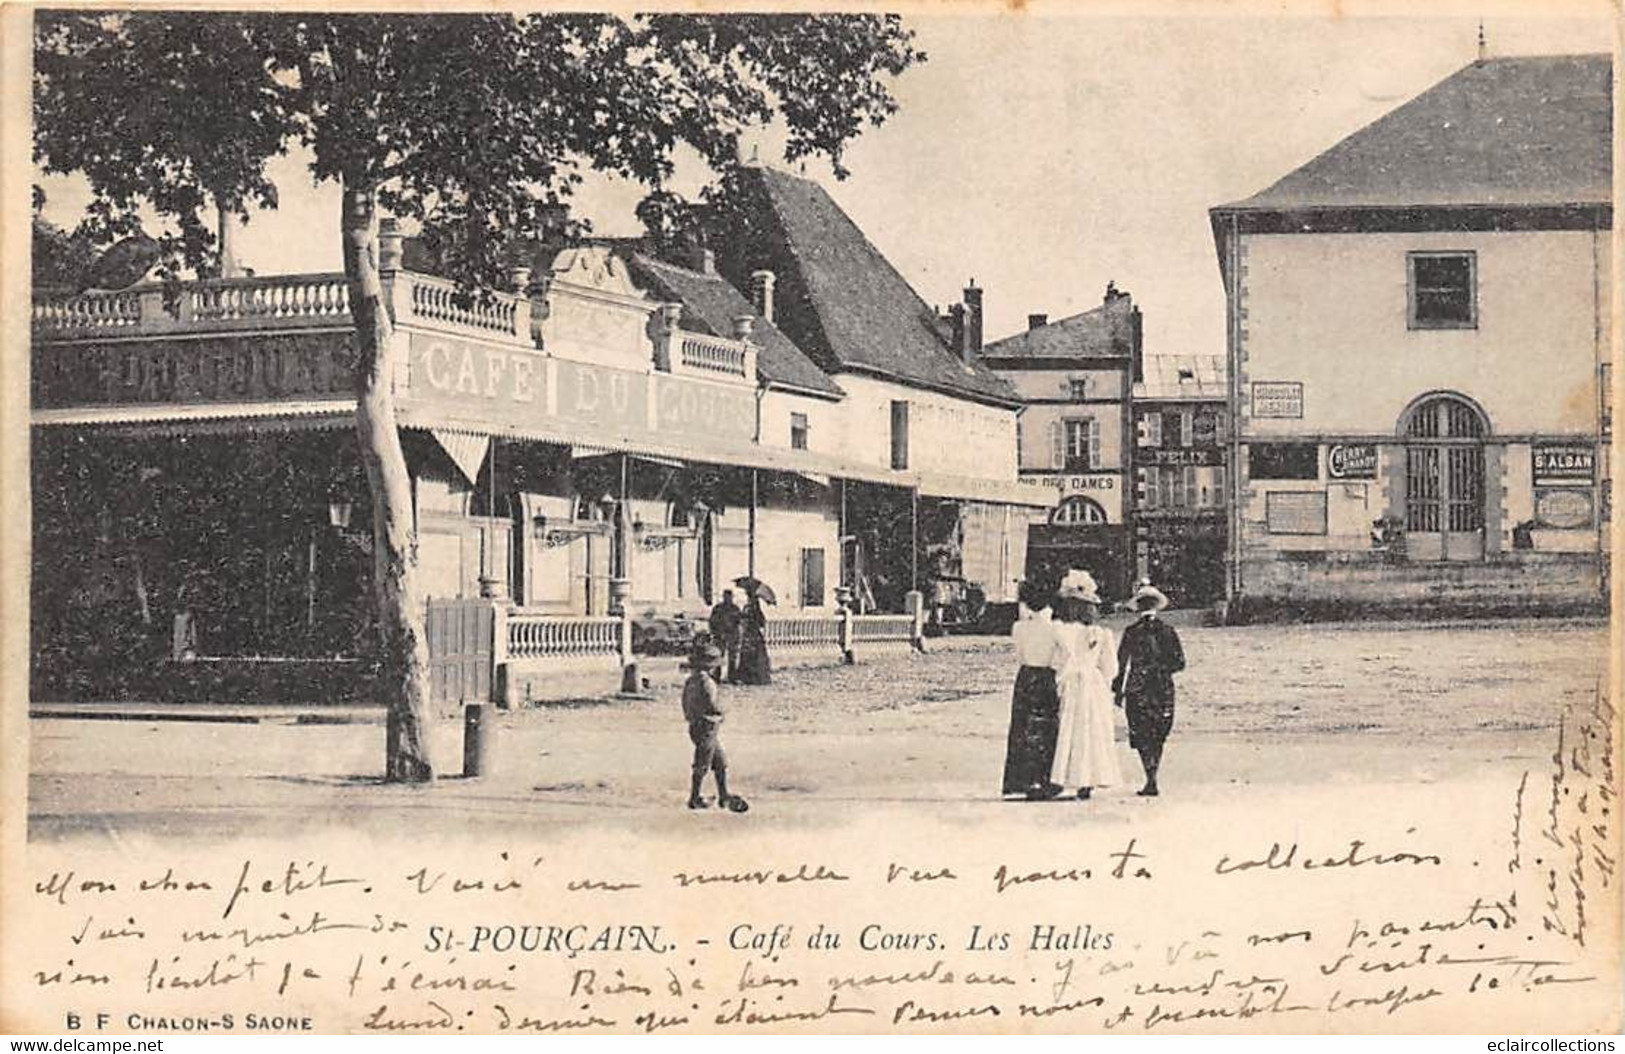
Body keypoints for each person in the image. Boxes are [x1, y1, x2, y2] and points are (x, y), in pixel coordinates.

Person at [1050, 569, 1124, 800]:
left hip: (1070, 681)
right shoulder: (1101, 634)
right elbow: (1111, 668)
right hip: (1093, 684)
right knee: (1093, 730)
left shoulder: (1061, 631)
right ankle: (1088, 780)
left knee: (1068, 729)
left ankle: (1063, 776)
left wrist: (1059, 680)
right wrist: (1102, 680)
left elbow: (1056, 662)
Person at [1112, 582, 1185, 797]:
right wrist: (1161, 669)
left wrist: (1117, 692)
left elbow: (1121, 663)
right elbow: (1180, 662)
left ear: (1139, 606)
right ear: (1156, 605)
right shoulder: (1168, 631)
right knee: (1158, 731)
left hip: (1137, 687)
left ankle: (1150, 776)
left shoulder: (1131, 631)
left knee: (1141, 731)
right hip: (1161, 687)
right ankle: (1153, 776)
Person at [1002, 580, 1065, 800]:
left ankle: (1022, 781)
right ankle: (1045, 779)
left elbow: (1019, 655)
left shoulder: (1019, 627)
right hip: (1046, 676)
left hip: (1026, 676)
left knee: (1022, 727)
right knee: (1046, 729)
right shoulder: (1055, 627)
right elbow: (1065, 655)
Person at [681, 641, 740, 810]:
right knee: (703, 763)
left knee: (719, 761)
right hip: (707, 726)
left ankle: (723, 796)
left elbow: (685, 703)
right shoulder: (706, 682)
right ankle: (695, 797)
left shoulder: (691, 681)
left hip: (697, 725)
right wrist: (722, 712)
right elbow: (711, 705)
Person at [734, 590, 772, 685]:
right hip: (748, 633)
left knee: (756, 656)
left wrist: (752, 619)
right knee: (747, 655)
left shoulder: (757, 611)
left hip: (754, 634)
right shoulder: (746, 608)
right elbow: (742, 619)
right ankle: (746, 677)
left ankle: (757, 677)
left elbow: (762, 622)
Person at [708, 590, 743, 682]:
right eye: (726, 597)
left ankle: (732, 676)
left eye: (730, 597)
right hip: (720, 635)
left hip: (732, 635)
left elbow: (739, 622)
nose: (728, 599)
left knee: (733, 656)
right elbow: (712, 621)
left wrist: (736, 631)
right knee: (719, 655)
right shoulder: (718, 608)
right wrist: (715, 632)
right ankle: (717, 675)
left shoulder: (735, 608)